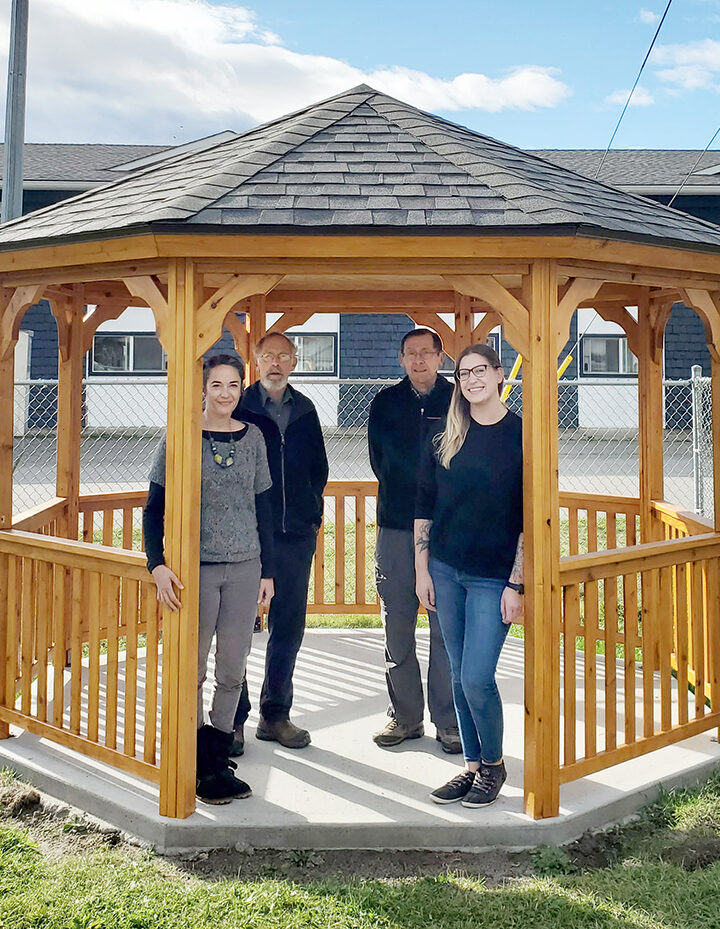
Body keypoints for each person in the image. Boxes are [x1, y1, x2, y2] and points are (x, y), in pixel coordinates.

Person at [143, 354, 275, 805]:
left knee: (232, 670)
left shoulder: (254, 437)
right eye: (216, 385)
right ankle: (196, 761)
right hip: (192, 572)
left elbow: (265, 507)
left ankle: (217, 760)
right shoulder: (180, 436)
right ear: (203, 388)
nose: (225, 393)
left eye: (233, 385)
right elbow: (153, 507)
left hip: (246, 567)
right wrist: (156, 564)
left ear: (243, 388)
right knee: (193, 668)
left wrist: (269, 572)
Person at [414, 343, 524, 808]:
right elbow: (423, 508)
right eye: (463, 374)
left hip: (492, 577)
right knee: (459, 674)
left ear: (499, 374)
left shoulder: (523, 435)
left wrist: (517, 583)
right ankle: (472, 767)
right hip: (444, 568)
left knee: (478, 675)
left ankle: (494, 765)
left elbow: (530, 517)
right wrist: (422, 570)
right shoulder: (445, 434)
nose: (472, 380)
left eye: (481, 371)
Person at [232, 332, 329, 751]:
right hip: (246, 533)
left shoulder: (305, 409)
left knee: (287, 625)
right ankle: (231, 719)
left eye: (283, 356)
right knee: (235, 624)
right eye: (267, 356)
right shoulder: (240, 406)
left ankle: (276, 714)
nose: (275, 363)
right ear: (255, 361)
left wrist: (311, 513)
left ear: (294, 361)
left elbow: (318, 470)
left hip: (294, 534)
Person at [368, 328, 460, 752]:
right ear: (401, 359)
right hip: (396, 526)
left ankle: (448, 720)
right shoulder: (385, 403)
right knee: (397, 622)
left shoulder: (460, 400)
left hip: (449, 529)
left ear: (441, 357)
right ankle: (405, 717)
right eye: (411, 353)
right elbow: (379, 462)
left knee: (445, 627)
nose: (419, 360)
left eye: (427, 352)